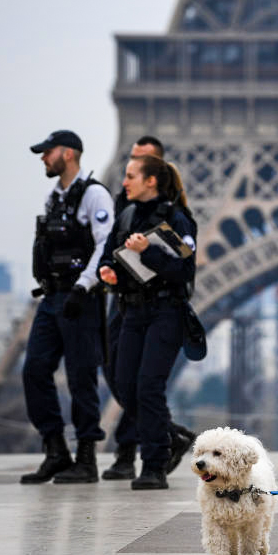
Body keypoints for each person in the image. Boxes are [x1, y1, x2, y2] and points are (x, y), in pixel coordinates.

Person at [99, 136, 197, 481]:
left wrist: (148, 252)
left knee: (148, 386)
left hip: (165, 313)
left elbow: (185, 271)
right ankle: (169, 436)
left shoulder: (177, 219)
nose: (123, 182)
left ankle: (154, 464)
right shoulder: (125, 216)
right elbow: (112, 256)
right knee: (125, 386)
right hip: (132, 312)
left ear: (150, 181)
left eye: (130, 177)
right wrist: (109, 274)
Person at [20, 130, 113, 484]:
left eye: (48, 152)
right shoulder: (54, 197)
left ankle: (86, 458)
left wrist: (83, 286)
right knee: (34, 370)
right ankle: (56, 449)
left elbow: (105, 245)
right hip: (52, 296)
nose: (43, 158)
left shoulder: (94, 195)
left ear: (69, 153)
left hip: (80, 297)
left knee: (81, 376)